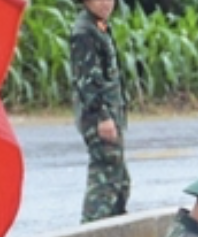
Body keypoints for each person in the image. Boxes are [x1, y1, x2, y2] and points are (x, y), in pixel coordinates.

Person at [71, 0, 128, 222]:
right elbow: (88, 80)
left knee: (120, 179)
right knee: (105, 178)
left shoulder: (99, 26)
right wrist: (103, 116)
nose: (106, 4)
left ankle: (115, 230)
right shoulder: (84, 32)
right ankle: (91, 229)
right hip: (99, 117)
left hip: (112, 113)